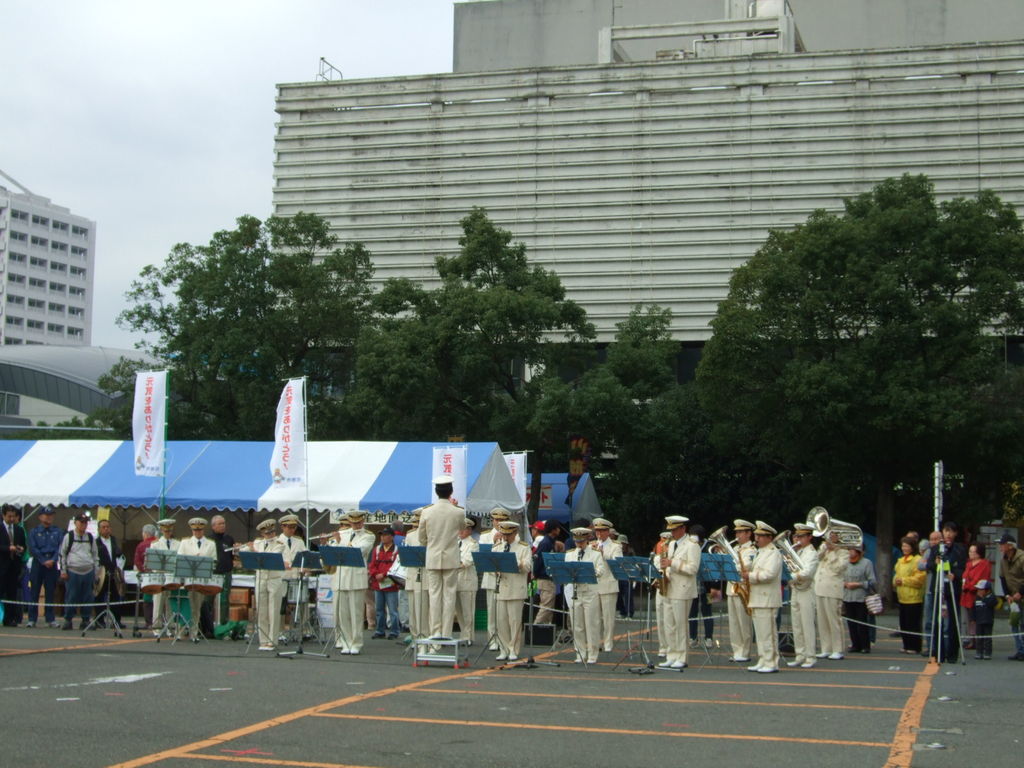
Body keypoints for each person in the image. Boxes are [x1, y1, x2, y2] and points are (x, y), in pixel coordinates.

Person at [419, 475, 465, 640]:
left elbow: (421, 538)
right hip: (451, 557)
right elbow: (462, 529)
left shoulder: (426, 511)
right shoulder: (458, 511)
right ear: (451, 491)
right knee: (449, 595)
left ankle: (435, 632)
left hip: (432, 557)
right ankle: (446, 633)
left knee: (434, 595)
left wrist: (432, 544)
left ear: (436, 491)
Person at [327, 511, 375, 654]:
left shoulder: (368, 536)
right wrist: (334, 541)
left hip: (356, 578)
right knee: (343, 614)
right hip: (341, 578)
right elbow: (330, 552)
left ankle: (356, 642)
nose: (356, 526)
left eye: (359, 523)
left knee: (356, 613)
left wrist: (338, 542)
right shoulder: (343, 534)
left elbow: (358, 551)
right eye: (353, 523)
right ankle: (345, 641)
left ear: (363, 522)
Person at [658, 515, 700, 670]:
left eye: (675, 530)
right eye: (671, 530)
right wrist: (666, 574)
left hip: (683, 589)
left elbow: (692, 569)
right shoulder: (672, 544)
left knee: (680, 625)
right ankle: (672, 654)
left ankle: (682, 656)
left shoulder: (692, 545)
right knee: (669, 624)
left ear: (683, 528)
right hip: (670, 587)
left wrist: (672, 563)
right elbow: (668, 566)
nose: (672, 533)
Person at [745, 520, 783, 673]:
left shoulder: (774, 553)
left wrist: (750, 576)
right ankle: (762, 658)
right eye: (756, 536)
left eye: (760, 536)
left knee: (768, 633)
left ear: (768, 537)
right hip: (758, 597)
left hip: (767, 598)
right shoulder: (760, 552)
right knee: (760, 633)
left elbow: (769, 574)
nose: (757, 539)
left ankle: (772, 661)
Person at [492, 520, 532, 661]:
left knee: (514, 621)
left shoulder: (523, 547)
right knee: (501, 620)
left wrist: (516, 563)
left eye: (509, 534)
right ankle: (503, 649)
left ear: (515, 533)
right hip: (501, 587)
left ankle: (513, 649)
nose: (506, 537)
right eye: (504, 534)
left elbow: (528, 567)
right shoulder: (497, 547)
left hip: (516, 588)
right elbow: (491, 566)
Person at [567, 526, 607, 664]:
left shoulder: (595, 554)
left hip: (590, 592)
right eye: (577, 541)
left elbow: (601, 570)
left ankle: (593, 653)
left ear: (587, 540)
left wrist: (589, 572)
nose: (579, 544)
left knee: (592, 624)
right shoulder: (570, 554)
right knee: (577, 625)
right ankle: (580, 652)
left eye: (582, 541)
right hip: (576, 592)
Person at [245, 518, 286, 651]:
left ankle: (272, 640)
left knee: (273, 610)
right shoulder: (258, 542)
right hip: (260, 579)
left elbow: (270, 557)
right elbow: (245, 553)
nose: (270, 535)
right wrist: (245, 548)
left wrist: (254, 551)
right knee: (261, 610)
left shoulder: (279, 543)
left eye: (272, 532)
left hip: (274, 579)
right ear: (262, 534)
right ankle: (263, 639)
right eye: (267, 534)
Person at [177, 517, 217, 641]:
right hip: (187, 579)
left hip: (201, 580)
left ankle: (194, 632)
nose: (197, 532)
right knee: (184, 606)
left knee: (197, 607)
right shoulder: (184, 542)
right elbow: (179, 560)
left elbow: (214, 563)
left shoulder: (210, 544)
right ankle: (180, 631)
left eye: (199, 530)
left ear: (203, 530)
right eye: (195, 530)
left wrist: (204, 562)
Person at [786, 523, 819, 668]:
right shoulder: (797, 552)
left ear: (809, 537)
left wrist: (790, 576)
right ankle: (800, 654)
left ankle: (810, 656)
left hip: (806, 590)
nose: (798, 539)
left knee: (807, 624)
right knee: (797, 624)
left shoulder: (812, 553)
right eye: (797, 536)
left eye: (801, 536)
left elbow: (807, 572)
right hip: (796, 589)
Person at [59, 513, 98, 630]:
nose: (83, 525)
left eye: (85, 522)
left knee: (88, 597)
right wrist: (63, 570)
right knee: (71, 596)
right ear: (75, 522)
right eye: (81, 522)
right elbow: (62, 554)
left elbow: (95, 555)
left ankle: (86, 620)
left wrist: (96, 572)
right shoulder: (69, 536)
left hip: (88, 571)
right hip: (73, 571)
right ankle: (68, 619)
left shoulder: (90, 537)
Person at [26, 506, 64, 628]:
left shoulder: (57, 531)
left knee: (50, 592)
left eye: (51, 515)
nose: (49, 518)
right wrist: (43, 561)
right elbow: (33, 548)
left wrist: (53, 560)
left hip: (52, 565)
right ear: (40, 517)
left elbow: (60, 547)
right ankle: (32, 619)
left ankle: (50, 618)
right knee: (34, 592)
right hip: (38, 563)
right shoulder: (34, 531)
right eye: (46, 515)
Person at [814, 527, 848, 660]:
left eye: (833, 536)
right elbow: (816, 558)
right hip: (820, 587)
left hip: (833, 589)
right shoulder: (824, 548)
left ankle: (838, 649)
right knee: (822, 620)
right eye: (829, 536)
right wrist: (825, 548)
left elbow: (839, 568)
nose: (830, 538)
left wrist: (833, 550)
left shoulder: (843, 552)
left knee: (834, 620)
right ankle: (826, 648)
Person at [590, 517, 623, 652]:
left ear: (608, 531)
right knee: (594, 617)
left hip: (609, 584)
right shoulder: (592, 544)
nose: (599, 534)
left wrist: (603, 554)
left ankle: (608, 643)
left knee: (608, 618)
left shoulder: (616, 546)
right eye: (597, 531)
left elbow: (618, 563)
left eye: (602, 531)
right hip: (594, 585)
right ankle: (596, 643)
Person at [726, 519, 756, 663]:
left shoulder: (751, 550)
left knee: (744, 623)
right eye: (736, 532)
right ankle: (736, 650)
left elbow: (746, 567)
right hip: (731, 588)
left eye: (740, 532)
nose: (737, 535)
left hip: (743, 588)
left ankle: (745, 651)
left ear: (748, 533)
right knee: (733, 623)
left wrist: (730, 561)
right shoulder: (736, 549)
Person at [479, 508, 510, 649]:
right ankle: (492, 639)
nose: (498, 523)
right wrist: (494, 541)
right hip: (491, 577)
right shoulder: (485, 536)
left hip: (505, 578)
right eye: (496, 520)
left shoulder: (512, 535)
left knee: (503, 611)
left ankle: (504, 638)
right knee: (491, 610)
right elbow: (483, 555)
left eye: (502, 520)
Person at [277, 514, 309, 638]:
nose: (292, 530)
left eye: (294, 527)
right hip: (282, 577)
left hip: (296, 576)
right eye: (289, 527)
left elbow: (305, 557)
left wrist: (305, 567)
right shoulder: (277, 541)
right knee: (281, 605)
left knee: (302, 602)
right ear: (282, 527)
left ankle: (303, 630)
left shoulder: (299, 541)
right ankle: (280, 631)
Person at [893, 536, 925, 653]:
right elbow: (896, 574)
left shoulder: (917, 560)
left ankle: (915, 646)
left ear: (912, 547)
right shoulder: (900, 560)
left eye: (906, 546)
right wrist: (895, 581)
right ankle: (906, 644)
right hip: (902, 597)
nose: (904, 548)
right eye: (903, 546)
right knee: (904, 623)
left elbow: (920, 578)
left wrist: (904, 581)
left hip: (914, 597)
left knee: (913, 623)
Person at [368, 527, 401, 640]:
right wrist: (376, 574)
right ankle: (380, 630)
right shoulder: (376, 549)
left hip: (391, 584)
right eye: (381, 535)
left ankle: (394, 631)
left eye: (385, 535)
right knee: (379, 609)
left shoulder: (397, 550)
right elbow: (372, 565)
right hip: (378, 584)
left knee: (393, 610)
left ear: (391, 537)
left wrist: (384, 574)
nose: (382, 537)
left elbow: (396, 566)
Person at [842, 545, 876, 654]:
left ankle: (865, 645)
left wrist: (859, 584)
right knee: (851, 623)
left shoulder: (867, 563)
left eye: (852, 550)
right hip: (847, 596)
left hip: (861, 597)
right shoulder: (845, 562)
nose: (850, 552)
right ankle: (855, 644)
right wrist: (845, 584)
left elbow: (872, 581)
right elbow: (838, 577)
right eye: (849, 549)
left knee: (862, 622)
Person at [150, 519, 180, 636]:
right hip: (160, 576)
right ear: (161, 530)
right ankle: (156, 627)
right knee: (158, 602)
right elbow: (153, 563)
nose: (167, 532)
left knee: (170, 602)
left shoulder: (177, 544)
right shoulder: (155, 544)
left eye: (169, 530)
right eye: (165, 530)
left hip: (172, 576)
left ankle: (171, 627)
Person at [960, 542, 992, 651]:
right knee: (968, 620)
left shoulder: (984, 564)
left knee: (977, 620)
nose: (971, 553)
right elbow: (964, 576)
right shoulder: (968, 564)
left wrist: (967, 586)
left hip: (976, 595)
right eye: (970, 551)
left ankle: (977, 642)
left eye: (974, 551)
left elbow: (978, 580)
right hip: (966, 595)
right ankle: (970, 640)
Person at [998, 533, 1024, 660]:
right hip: (1013, 597)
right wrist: (1006, 594)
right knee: (1014, 623)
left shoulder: (1022, 557)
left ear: (1010, 546)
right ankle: (1020, 650)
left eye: (1002, 544)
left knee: (1023, 623)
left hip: (1022, 595)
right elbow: (1002, 577)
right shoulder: (1003, 559)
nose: (1000, 547)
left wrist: (1021, 592)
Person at [1, 504, 28, 626]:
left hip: (14, 567)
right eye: (9, 516)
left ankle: (10, 618)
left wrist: (20, 549)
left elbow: (24, 545)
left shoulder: (19, 529)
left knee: (12, 593)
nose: (11, 519)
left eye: (13, 516)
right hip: (2, 566)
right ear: (3, 515)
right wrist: (8, 548)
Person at [454, 517, 480, 644]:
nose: (460, 531)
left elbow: (467, 561)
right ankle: (463, 634)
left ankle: (468, 636)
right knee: (458, 611)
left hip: (467, 581)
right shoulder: (455, 542)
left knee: (467, 611)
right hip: (455, 581)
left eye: (463, 529)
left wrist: (452, 564)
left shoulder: (473, 544)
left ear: (469, 530)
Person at [95, 519, 124, 628]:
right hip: (102, 572)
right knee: (99, 596)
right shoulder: (96, 542)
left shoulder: (114, 540)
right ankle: (99, 620)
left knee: (116, 596)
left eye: (108, 527)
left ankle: (116, 620)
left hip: (113, 572)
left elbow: (119, 555)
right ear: (99, 529)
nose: (106, 529)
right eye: (104, 527)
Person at [916, 530, 941, 655]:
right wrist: (931, 564)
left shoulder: (944, 551)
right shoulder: (928, 552)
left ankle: (943, 646)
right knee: (928, 620)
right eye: (932, 539)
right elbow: (920, 565)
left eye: (936, 539)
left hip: (942, 590)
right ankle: (930, 646)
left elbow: (944, 566)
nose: (934, 541)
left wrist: (930, 565)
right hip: (929, 591)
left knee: (942, 621)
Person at [210, 515, 235, 626]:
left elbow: (232, 556)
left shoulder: (229, 539)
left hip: (226, 572)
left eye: (224, 523)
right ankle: (208, 625)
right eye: (220, 524)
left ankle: (224, 624)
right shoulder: (209, 539)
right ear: (213, 526)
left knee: (225, 600)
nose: (222, 526)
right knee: (208, 599)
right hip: (213, 573)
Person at [533, 520, 559, 625]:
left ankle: (545, 632)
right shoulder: (546, 543)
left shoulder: (550, 542)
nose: (559, 530)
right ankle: (534, 629)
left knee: (549, 607)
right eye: (557, 528)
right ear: (553, 530)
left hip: (548, 579)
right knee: (546, 606)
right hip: (545, 578)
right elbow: (538, 560)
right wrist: (537, 574)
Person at [133, 523, 159, 629]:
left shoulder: (141, 545)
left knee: (148, 599)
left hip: (147, 577)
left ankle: (149, 622)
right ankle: (159, 620)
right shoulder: (159, 543)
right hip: (159, 576)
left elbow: (137, 561)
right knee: (159, 599)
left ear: (145, 534)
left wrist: (144, 570)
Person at [652, 531, 672, 657]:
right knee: (660, 618)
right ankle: (663, 646)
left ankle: (671, 647)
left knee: (670, 620)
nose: (662, 545)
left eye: (666, 542)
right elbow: (655, 570)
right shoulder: (656, 557)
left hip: (671, 587)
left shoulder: (672, 556)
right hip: (660, 588)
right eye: (662, 541)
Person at [972, 579, 996, 660]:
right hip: (979, 621)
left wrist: (983, 598)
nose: (979, 591)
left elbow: (991, 604)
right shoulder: (976, 598)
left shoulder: (992, 597)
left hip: (988, 620)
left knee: (987, 638)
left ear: (987, 590)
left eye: (981, 589)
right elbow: (974, 608)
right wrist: (973, 618)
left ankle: (988, 653)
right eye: (978, 589)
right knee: (979, 637)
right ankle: (979, 652)